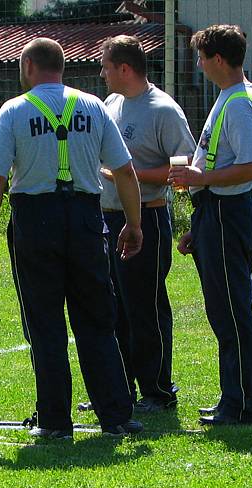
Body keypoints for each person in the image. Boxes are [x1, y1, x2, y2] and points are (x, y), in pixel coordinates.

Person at [0, 37, 145, 439]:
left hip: (36, 221)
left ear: (30, 66)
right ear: (62, 66)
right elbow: (124, 171)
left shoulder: (14, 111)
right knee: (97, 320)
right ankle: (116, 415)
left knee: (45, 323)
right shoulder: (93, 106)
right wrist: (134, 224)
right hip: (87, 218)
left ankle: (55, 421)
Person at [79, 34, 195, 414]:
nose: (101, 72)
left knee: (145, 306)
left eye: (106, 65)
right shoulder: (111, 104)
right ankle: (120, 389)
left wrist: (132, 175)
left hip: (149, 215)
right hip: (108, 218)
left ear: (125, 69)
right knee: (113, 307)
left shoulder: (162, 109)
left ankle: (158, 392)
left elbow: (185, 167)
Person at [168, 24, 252, 426]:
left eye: (201, 57)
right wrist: (201, 221)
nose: (198, 64)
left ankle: (242, 405)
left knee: (232, 311)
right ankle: (233, 396)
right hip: (216, 216)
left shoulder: (239, 103)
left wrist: (200, 181)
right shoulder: (231, 97)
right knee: (222, 311)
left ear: (218, 60)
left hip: (229, 215)